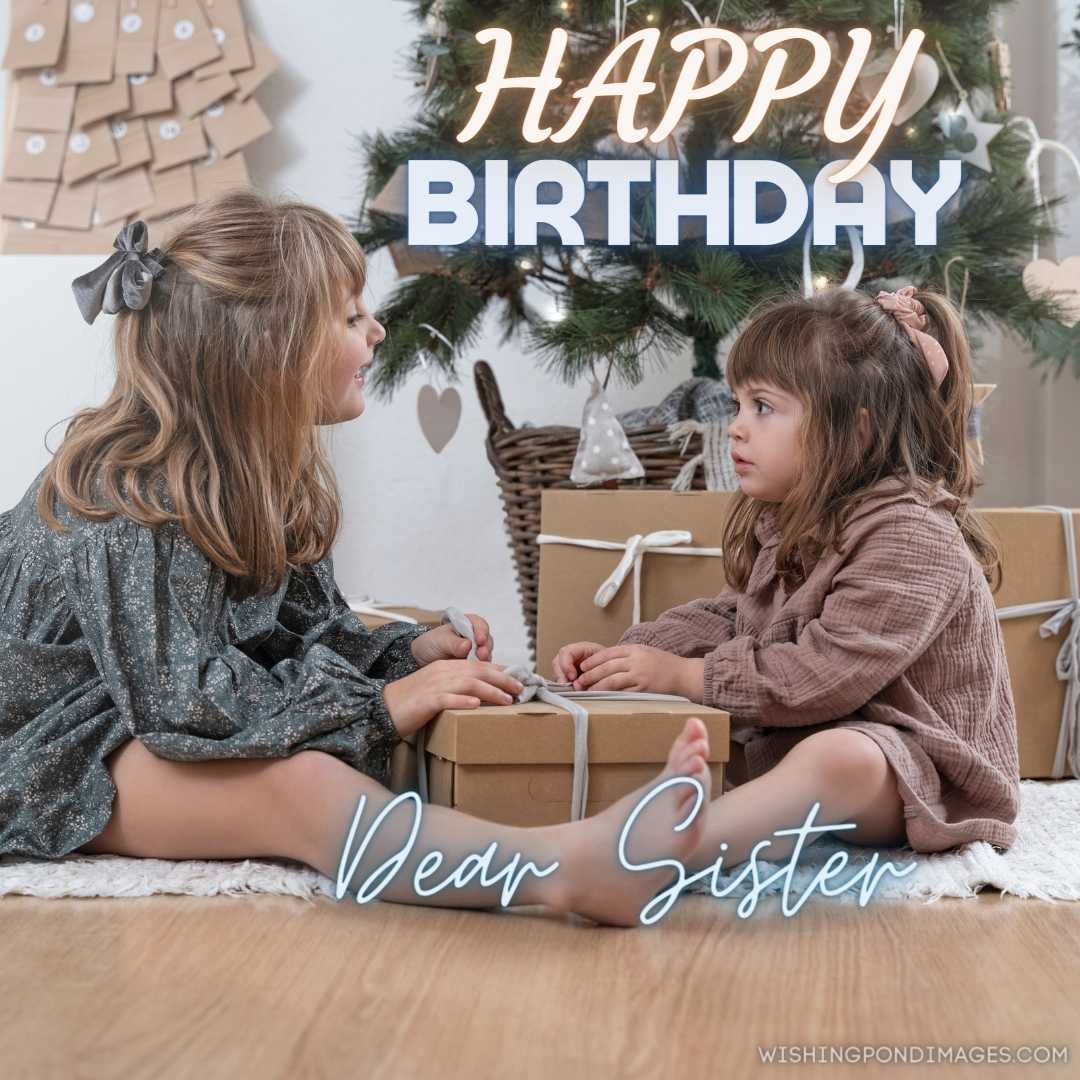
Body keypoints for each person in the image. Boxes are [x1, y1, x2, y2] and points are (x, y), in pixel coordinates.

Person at [0, 190, 714, 928]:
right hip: (46, 743)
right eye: (348, 318)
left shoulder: (256, 477)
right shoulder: (130, 497)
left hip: (133, 710)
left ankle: (565, 845)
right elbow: (186, 707)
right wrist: (377, 704)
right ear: (266, 350)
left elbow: (298, 632)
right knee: (304, 789)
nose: (376, 332)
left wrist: (400, 655)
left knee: (343, 746)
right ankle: (568, 871)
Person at [554, 285, 1021, 866]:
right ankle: (713, 822)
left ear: (855, 430)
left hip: (922, 770)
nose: (737, 428)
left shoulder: (912, 535)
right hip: (811, 732)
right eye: (738, 405)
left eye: (764, 407)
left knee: (840, 759)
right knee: (720, 746)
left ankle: (651, 854)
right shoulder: (797, 516)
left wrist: (687, 676)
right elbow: (734, 616)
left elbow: (826, 673)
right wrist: (633, 655)